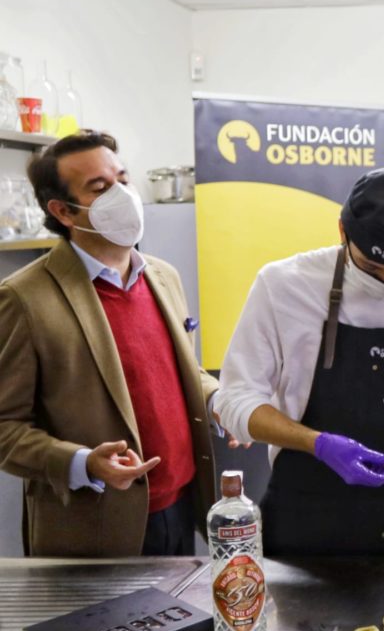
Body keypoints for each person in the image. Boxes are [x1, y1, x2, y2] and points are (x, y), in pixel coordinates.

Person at [214, 168, 384, 556]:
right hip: (300, 513)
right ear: (343, 232)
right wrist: (318, 443)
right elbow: (234, 399)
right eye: (373, 268)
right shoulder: (284, 286)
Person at [0, 130, 220, 556]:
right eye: (100, 188)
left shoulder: (163, 276)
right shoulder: (24, 298)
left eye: (123, 178)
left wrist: (217, 401)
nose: (122, 194)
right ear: (63, 210)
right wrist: (81, 462)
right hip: (94, 523)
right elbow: (5, 428)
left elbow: (179, 372)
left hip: (183, 504)